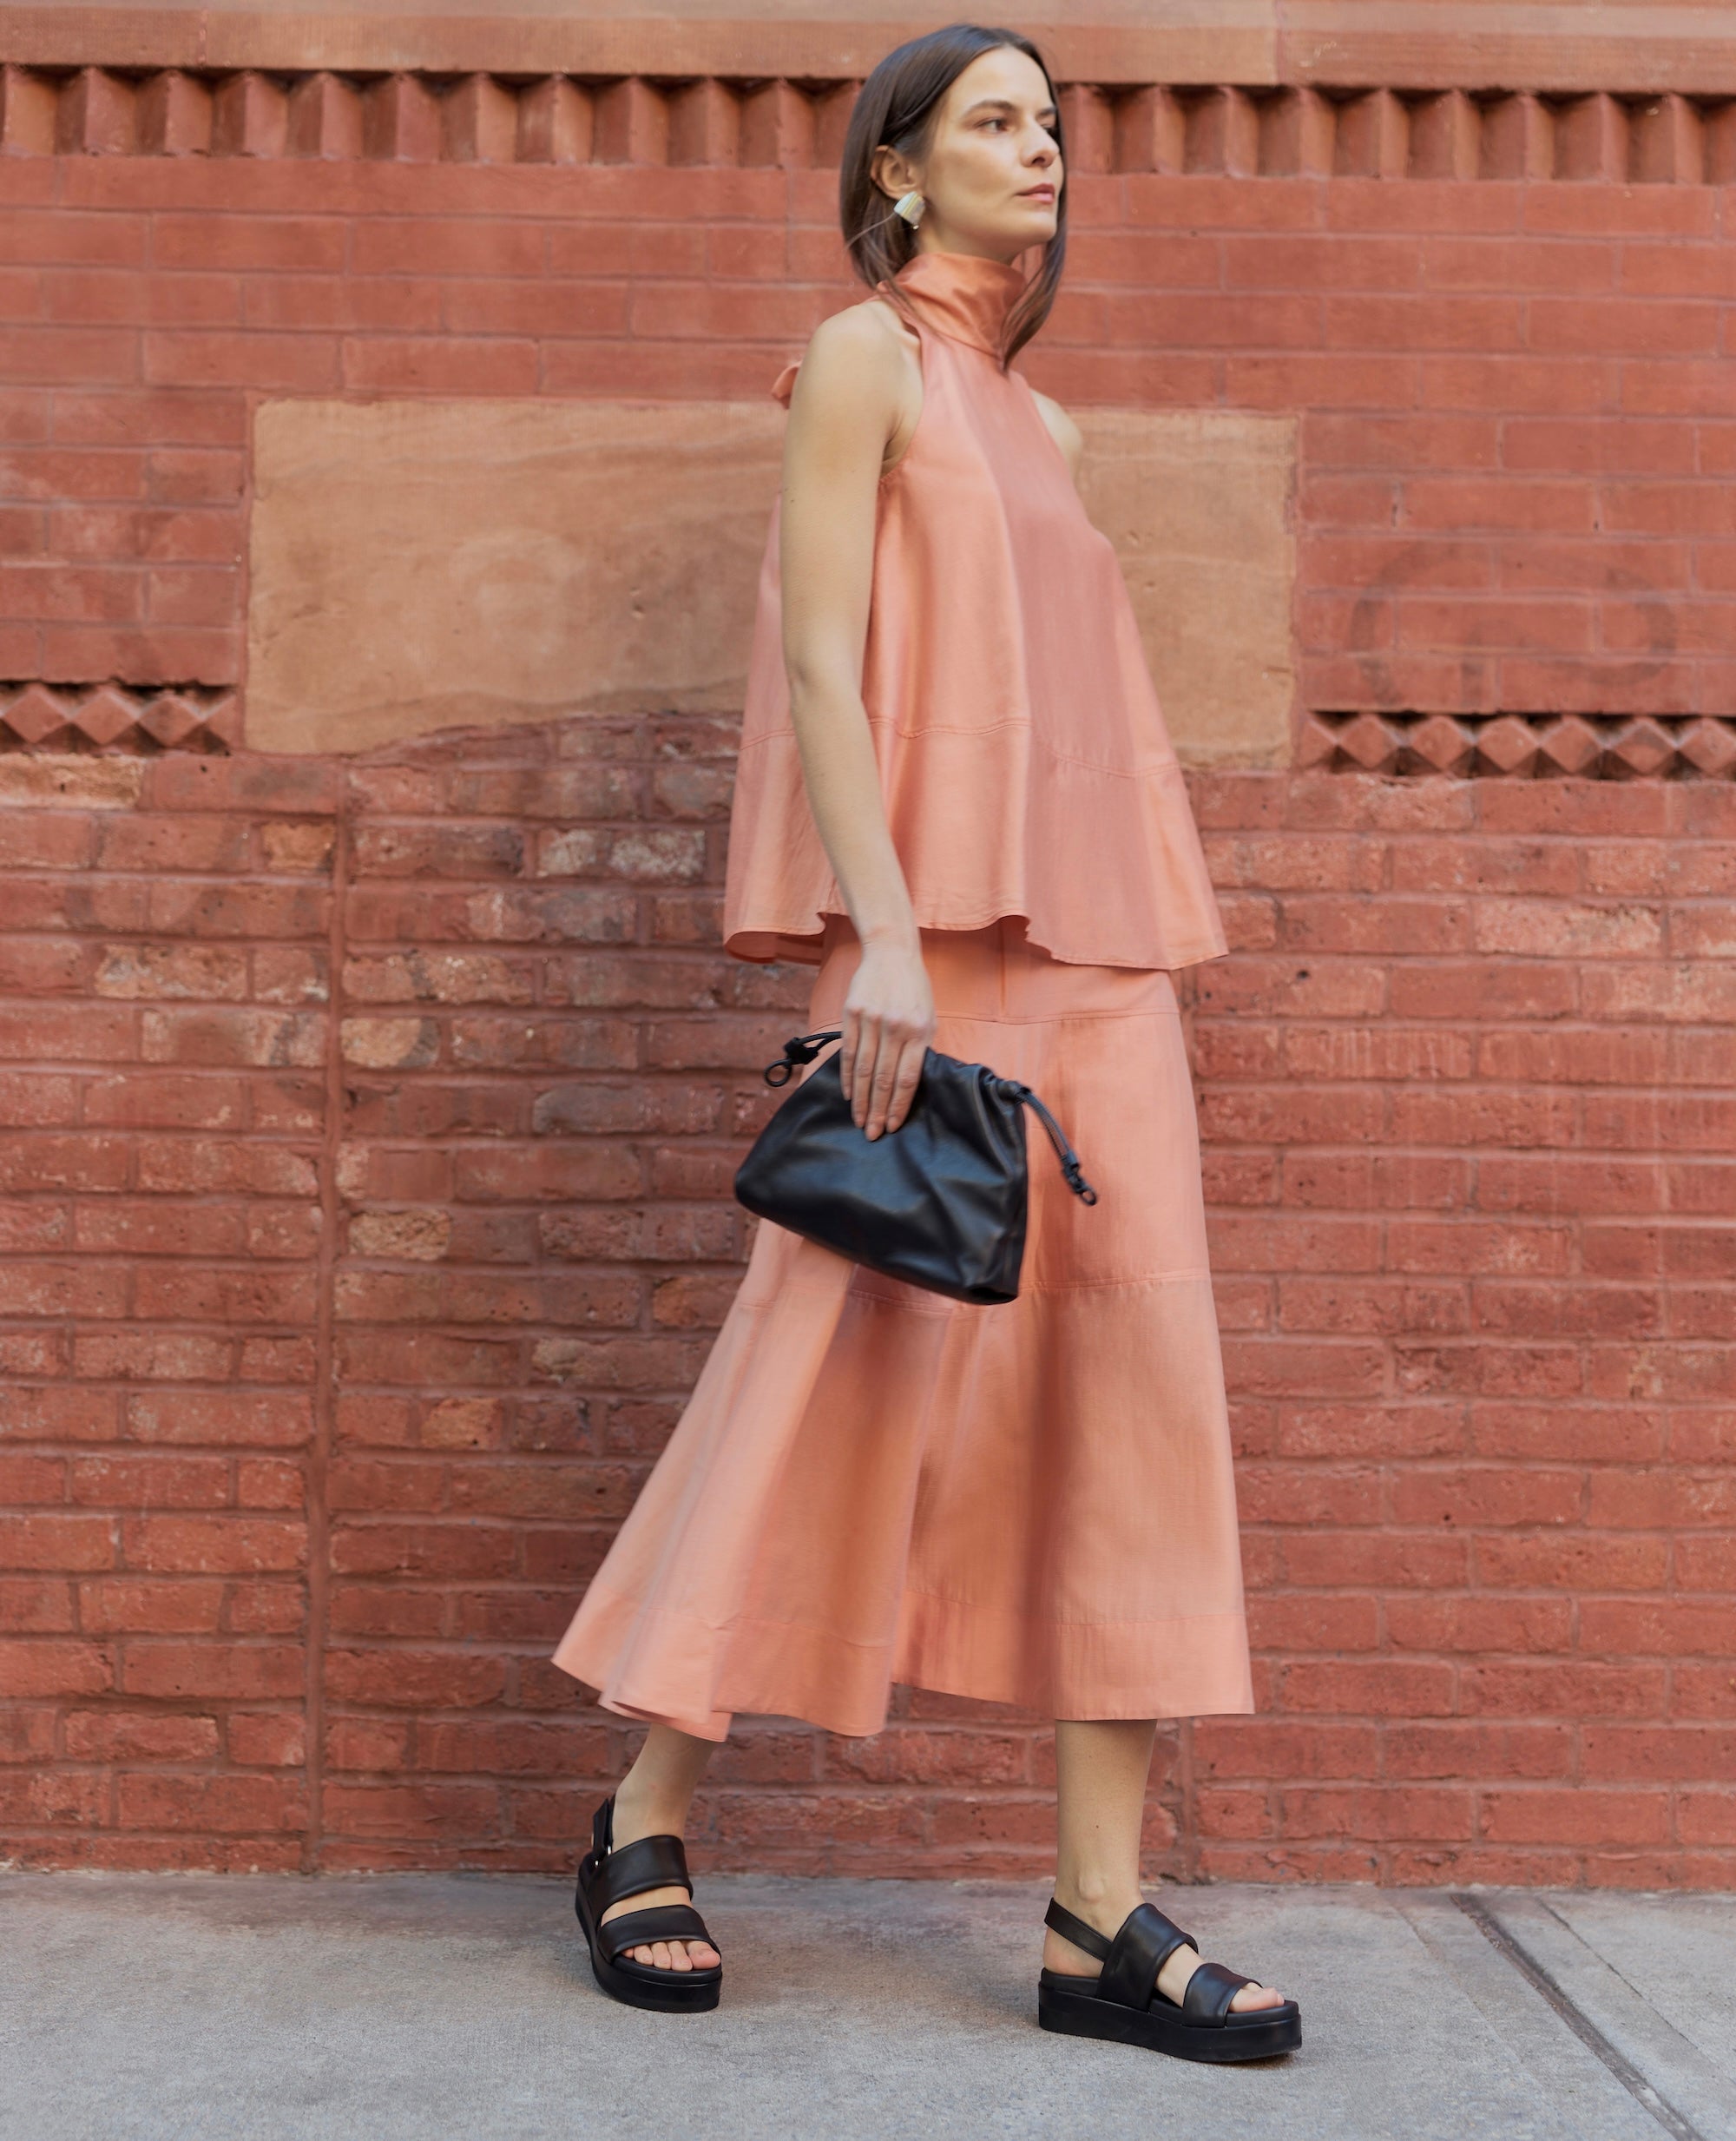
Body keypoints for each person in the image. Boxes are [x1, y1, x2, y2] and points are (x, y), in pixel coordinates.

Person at [555, 22, 1299, 2062]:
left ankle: (1097, 1913)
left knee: (1136, 1400)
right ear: (896, 168)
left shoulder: (1046, 427)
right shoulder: (861, 359)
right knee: (826, 1369)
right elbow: (817, 651)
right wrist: (877, 932)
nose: (1038, 149)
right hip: (921, 954)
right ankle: (639, 1815)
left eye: (1051, 123)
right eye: (992, 120)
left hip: (1102, 959)